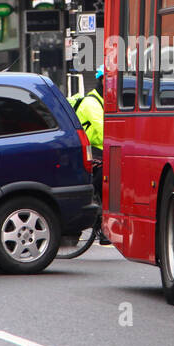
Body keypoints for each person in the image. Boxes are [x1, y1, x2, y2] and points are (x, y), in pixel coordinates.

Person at [67, 68, 109, 244]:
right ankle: (103, 228)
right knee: (106, 183)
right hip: (91, 152)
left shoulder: (104, 101)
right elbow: (104, 131)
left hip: (100, 151)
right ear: (102, 80)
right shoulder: (91, 104)